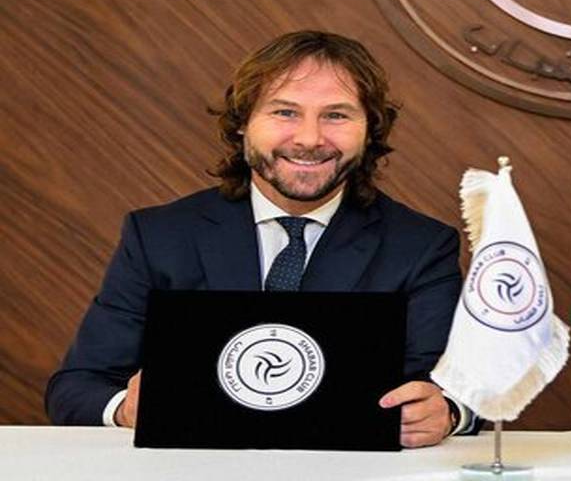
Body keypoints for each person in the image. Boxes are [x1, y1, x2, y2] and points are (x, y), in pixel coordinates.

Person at [45, 31, 474, 446]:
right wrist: (125, 408)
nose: (309, 139)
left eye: (336, 115)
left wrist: (448, 413)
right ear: (242, 124)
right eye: (285, 112)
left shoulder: (422, 247)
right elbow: (76, 387)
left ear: (370, 131)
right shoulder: (159, 235)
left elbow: (461, 392)